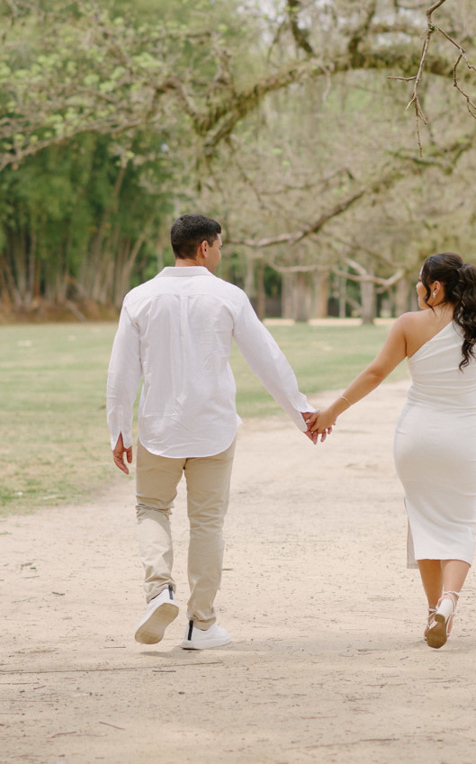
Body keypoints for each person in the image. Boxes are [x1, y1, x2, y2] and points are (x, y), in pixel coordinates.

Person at [107, 214, 321, 651]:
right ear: (204, 247)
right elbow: (267, 359)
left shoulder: (140, 298)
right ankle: (200, 624)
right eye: (220, 246)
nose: (221, 254)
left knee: (151, 508)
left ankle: (158, 591)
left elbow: (121, 373)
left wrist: (118, 430)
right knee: (206, 523)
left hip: (158, 428)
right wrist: (301, 413)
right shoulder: (228, 296)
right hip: (213, 429)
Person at [306, 253, 476, 649]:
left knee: (424, 522)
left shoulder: (409, 324)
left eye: (420, 281)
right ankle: (449, 601)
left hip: (416, 438)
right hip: (462, 438)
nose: (416, 288)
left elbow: (376, 373)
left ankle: (435, 612)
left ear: (435, 287)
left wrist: (330, 411)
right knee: (460, 525)